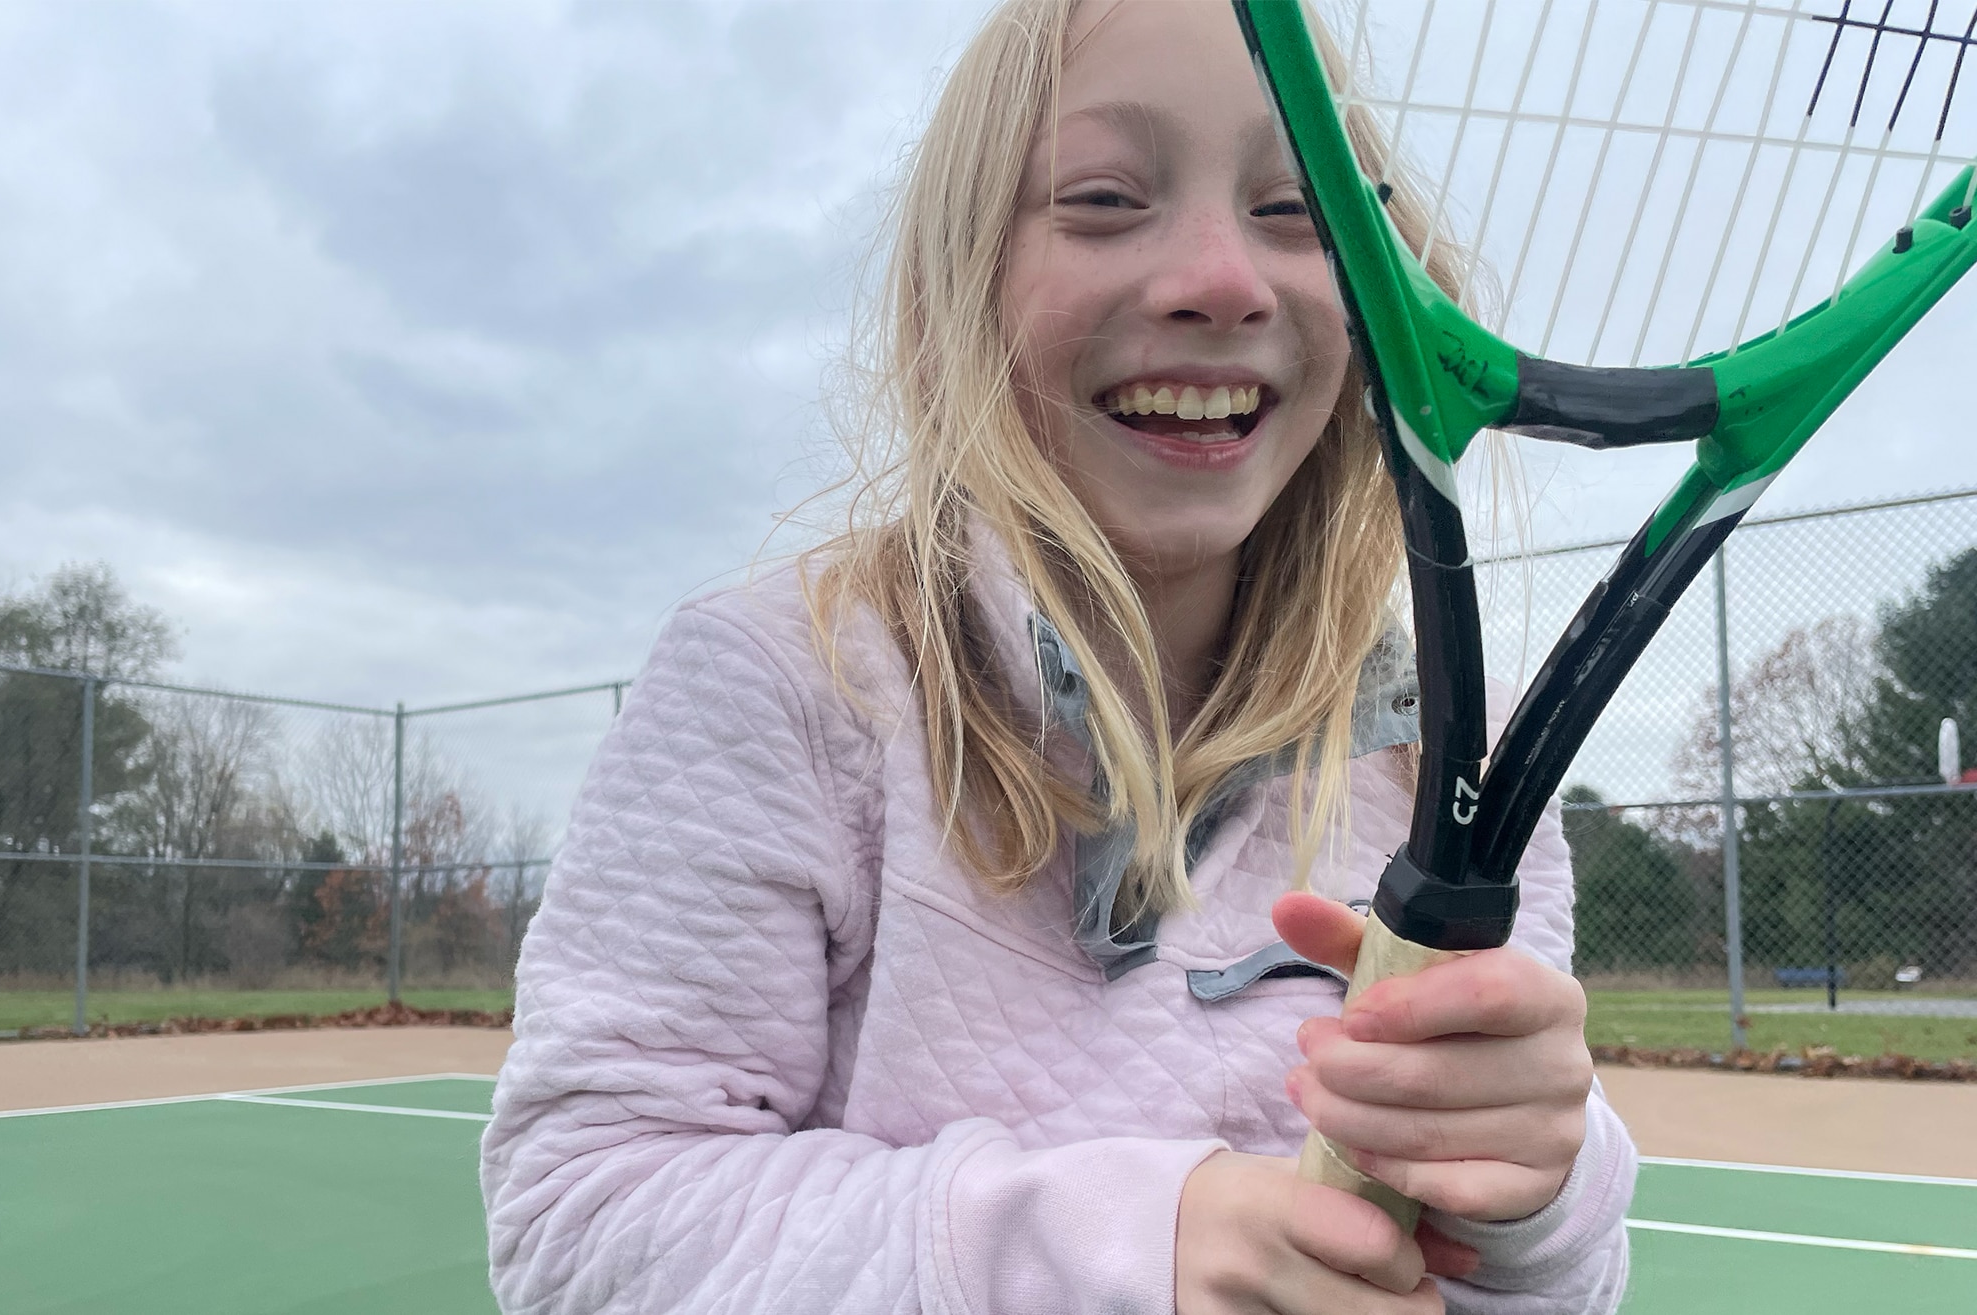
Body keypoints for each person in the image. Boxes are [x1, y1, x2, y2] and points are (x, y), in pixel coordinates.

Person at [480, 1, 1636, 1311]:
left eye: (1296, 210)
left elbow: (1533, 1295)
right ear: (962, 286)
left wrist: (1542, 1196)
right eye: (1102, 199)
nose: (1224, 280)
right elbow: (583, 1223)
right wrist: (1111, 1248)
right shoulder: (780, 683)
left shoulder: (1452, 768)